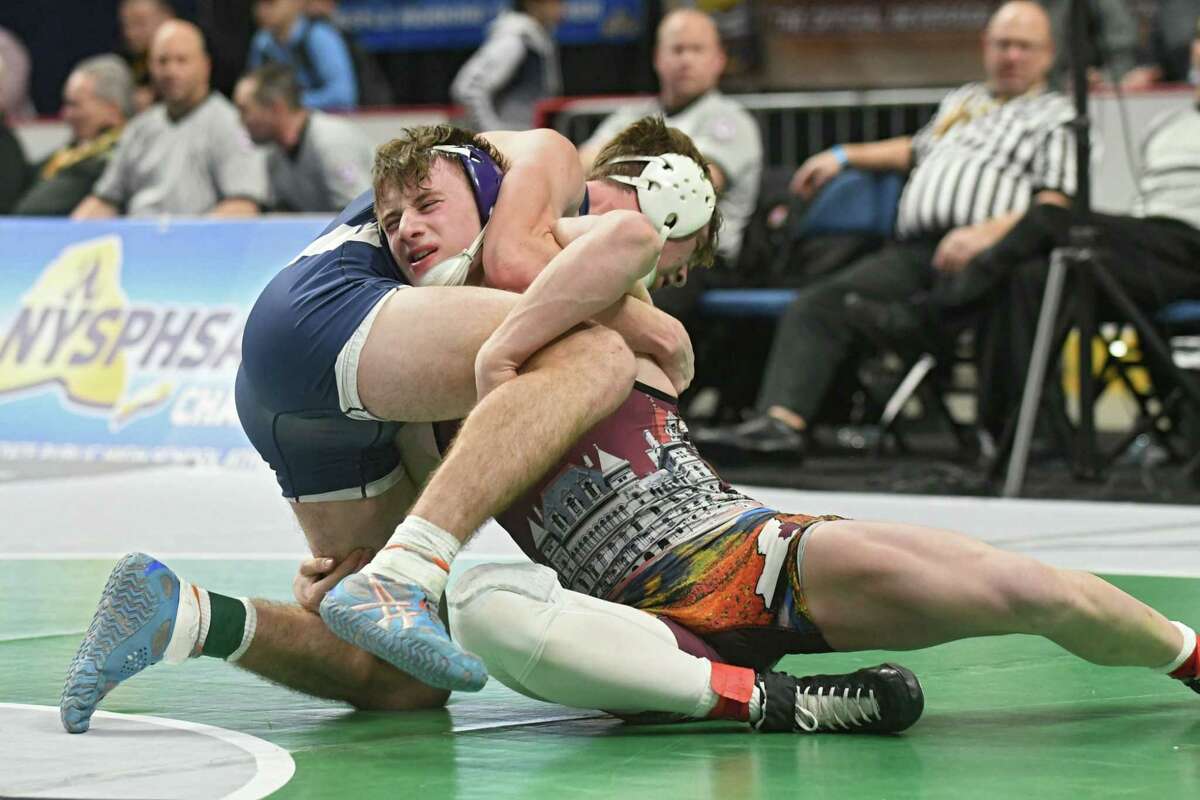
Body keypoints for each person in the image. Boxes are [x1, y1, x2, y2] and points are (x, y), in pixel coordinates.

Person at [58, 119, 699, 731]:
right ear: (671, 198)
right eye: (673, 266)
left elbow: (456, 460)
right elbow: (512, 261)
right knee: (591, 351)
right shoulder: (549, 160)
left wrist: (359, 566)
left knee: (402, 681)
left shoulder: (471, 251)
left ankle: (182, 615)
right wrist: (655, 328)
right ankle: (402, 575)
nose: (409, 231)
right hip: (330, 316)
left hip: (303, 389)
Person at [693, 1, 1078, 461]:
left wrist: (986, 234)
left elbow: (1055, 202)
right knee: (820, 302)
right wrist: (844, 155)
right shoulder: (964, 103)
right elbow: (914, 150)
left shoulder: (1057, 117)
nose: (1011, 55)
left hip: (993, 254)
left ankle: (919, 324)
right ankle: (779, 427)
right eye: (1003, 44)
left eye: (1024, 46)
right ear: (985, 47)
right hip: (917, 250)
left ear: (1048, 54)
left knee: (974, 293)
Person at [577, 8, 761, 270]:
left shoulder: (730, 121)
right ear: (657, 58)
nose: (686, 60)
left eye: (697, 50)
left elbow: (691, 187)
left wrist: (615, 171)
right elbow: (582, 165)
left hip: (699, 259)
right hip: (625, 247)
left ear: (719, 60)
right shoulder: (634, 114)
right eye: (677, 49)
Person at [72, 20, 267, 218]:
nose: (171, 72)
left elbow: (242, 205)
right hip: (138, 238)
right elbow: (105, 199)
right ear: (150, 66)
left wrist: (183, 239)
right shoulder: (139, 128)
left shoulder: (229, 124)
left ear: (205, 65)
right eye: (162, 61)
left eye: (182, 60)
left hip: (198, 242)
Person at [234, 63, 373, 212]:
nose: (240, 121)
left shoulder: (331, 141)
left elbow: (361, 215)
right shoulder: (274, 155)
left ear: (276, 108)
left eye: (245, 110)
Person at [14, 56, 134, 216]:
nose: (66, 114)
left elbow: (30, 211)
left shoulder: (115, 159)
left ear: (111, 109)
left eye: (75, 105)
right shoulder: (72, 150)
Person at [450, 0, 563, 132]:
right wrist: (493, 134)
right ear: (533, 4)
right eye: (555, 2)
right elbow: (468, 89)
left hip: (526, 140)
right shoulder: (514, 40)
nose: (561, 9)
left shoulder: (537, 40)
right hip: (510, 143)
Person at [247, 0, 357, 110]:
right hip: (280, 119)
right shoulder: (262, 42)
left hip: (325, 119)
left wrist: (291, 103)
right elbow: (256, 90)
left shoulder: (319, 35)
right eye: (258, 4)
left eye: (270, 3)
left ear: (296, 3)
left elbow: (343, 96)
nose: (262, 11)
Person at [1120, 0, 1200, 89]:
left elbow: (1181, 46)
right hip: (1174, 84)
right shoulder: (1167, 8)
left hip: (1185, 80)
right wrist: (1150, 69)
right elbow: (1158, 48)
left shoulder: (1179, 6)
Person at [118, 0, 175, 113]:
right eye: (126, 25)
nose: (130, 33)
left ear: (167, 18)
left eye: (140, 23)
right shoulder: (123, 62)